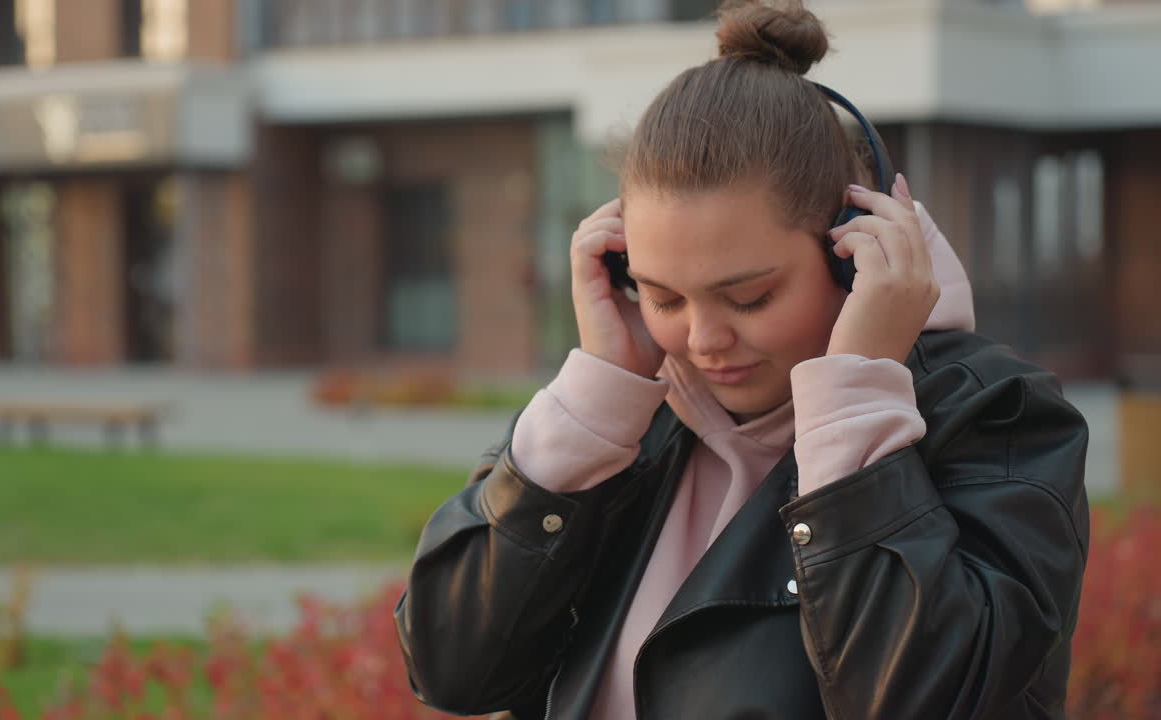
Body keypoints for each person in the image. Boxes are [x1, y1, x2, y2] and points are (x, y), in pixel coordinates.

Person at [394, 1, 1090, 718]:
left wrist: (852, 407)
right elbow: (452, 671)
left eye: (749, 298)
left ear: (854, 253)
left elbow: (931, 694)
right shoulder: (626, 421)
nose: (702, 341)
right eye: (664, 297)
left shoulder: (995, 416)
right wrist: (594, 404)